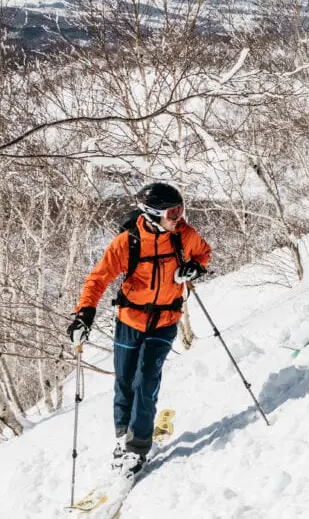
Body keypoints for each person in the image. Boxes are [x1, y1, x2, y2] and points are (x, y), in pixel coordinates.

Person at [67, 182, 211, 476]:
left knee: (146, 380)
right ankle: (124, 436)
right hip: (130, 321)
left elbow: (204, 254)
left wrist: (194, 268)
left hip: (165, 320)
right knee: (125, 382)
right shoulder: (128, 242)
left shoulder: (184, 236)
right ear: (152, 213)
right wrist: (84, 314)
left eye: (181, 209)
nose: (179, 217)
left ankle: (137, 448)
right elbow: (98, 279)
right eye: (173, 212)